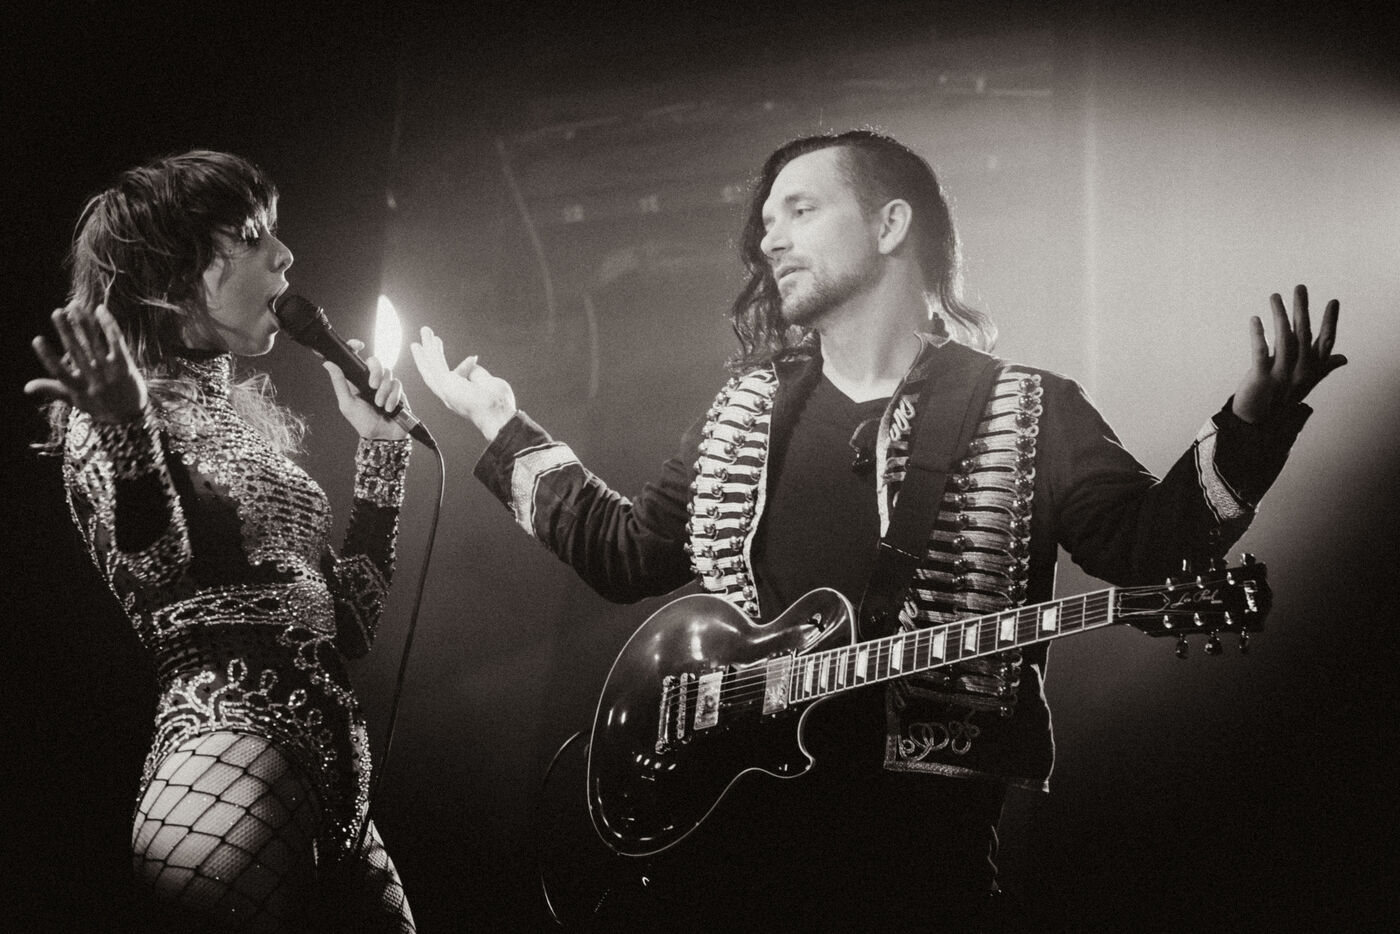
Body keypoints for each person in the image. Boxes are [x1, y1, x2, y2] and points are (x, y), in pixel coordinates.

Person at [411, 129, 1344, 931]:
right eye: (766, 221)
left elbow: (1150, 550)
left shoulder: (1029, 410)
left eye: (800, 210)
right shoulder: (743, 409)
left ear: (892, 225)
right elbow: (625, 556)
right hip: (727, 858)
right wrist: (500, 426)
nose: (769, 238)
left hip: (918, 867)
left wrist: (1251, 431)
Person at [25, 151, 417, 933]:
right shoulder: (114, 411)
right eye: (251, 235)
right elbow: (156, 569)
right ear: (174, 270)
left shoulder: (246, 432)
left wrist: (382, 453)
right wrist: (129, 433)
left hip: (339, 794)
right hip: (226, 770)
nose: (285, 254)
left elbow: (351, 626)